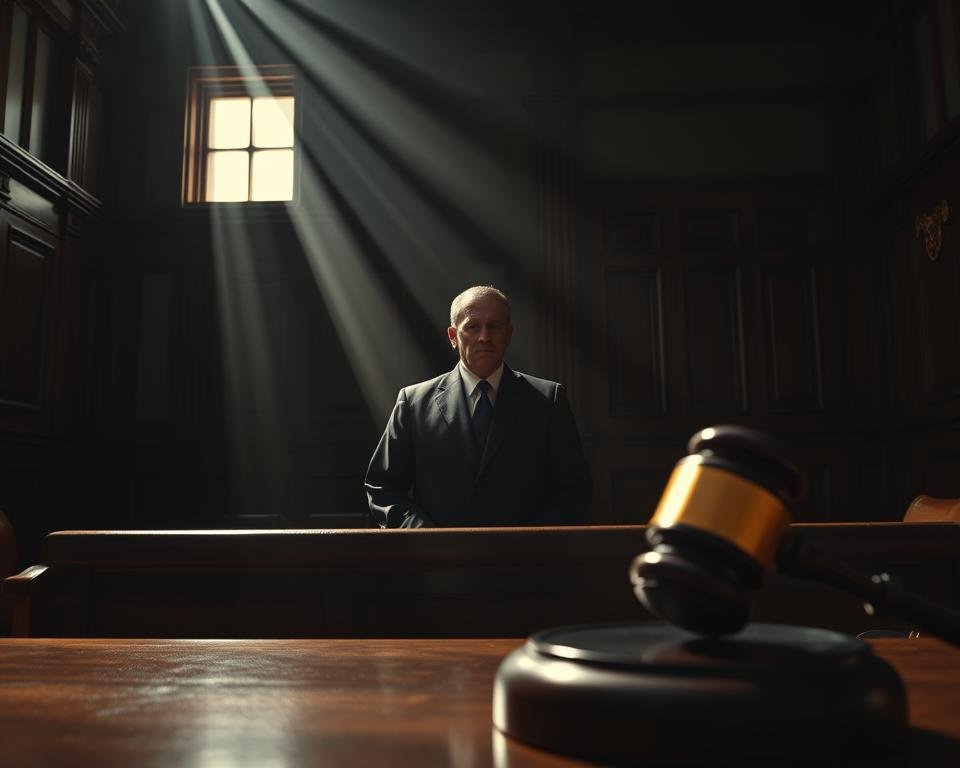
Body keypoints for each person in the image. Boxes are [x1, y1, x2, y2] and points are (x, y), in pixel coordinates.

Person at [365, 285, 591, 527]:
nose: (484, 337)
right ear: (453, 336)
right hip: (440, 560)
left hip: (526, 560)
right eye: (472, 326)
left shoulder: (548, 400)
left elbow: (574, 489)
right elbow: (382, 487)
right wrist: (424, 535)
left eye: (494, 326)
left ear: (509, 334)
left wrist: (531, 541)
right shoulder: (413, 402)